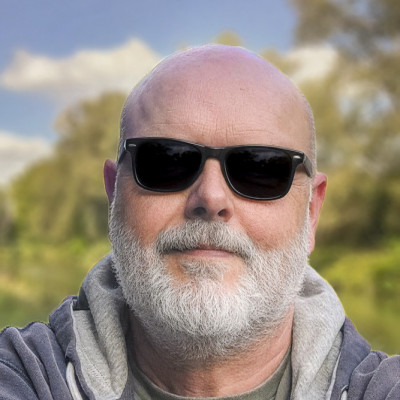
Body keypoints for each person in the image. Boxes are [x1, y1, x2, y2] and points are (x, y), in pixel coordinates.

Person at [0, 45, 399, 400]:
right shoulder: (18, 375)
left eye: (260, 169)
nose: (210, 198)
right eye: (166, 161)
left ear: (311, 212)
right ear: (114, 195)